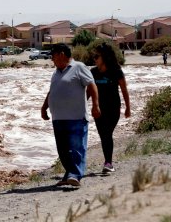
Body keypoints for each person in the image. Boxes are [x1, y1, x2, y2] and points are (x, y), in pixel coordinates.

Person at [41, 43, 101, 187]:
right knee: (63, 151)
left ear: (62, 54)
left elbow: (92, 85)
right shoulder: (56, 72)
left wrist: (95, 105)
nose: (52, 59)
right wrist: (44, 107)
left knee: (77, 148)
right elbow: (52, 91)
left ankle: (75, 175)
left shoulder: (79, 67)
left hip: (76, 117)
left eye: (53, 56)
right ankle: (69, 174)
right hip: (58, 118)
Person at [89, 42, 131, 173]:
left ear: (104, 57)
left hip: (113, 109)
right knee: (104, 135)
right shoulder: (93, 72)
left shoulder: (116, 71)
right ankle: (108, 162)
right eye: (94, 56)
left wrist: (128, 108)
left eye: (97, 56)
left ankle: (108, 163)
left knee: (107, 133)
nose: (94, 59)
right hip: (98, 109)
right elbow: (88, 92)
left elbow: (124, 90)